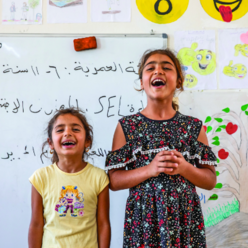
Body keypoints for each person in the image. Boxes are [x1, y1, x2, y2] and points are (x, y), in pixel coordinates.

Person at [105, 49, 217, 248]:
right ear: (141, 82)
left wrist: (185, 168)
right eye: (151, 68)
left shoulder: (193, 127)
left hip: (184, 221)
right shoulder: (127, 127)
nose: (159, 71)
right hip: (143, 223)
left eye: (166, 67)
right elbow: (114, 181)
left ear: (179, 81)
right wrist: (150, 169)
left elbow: (210, 181)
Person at [28, 108, 110, 248]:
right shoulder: (40, 178)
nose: (67, 133)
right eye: (60, 130)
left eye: (76, 129)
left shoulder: (99, 177)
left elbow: (103, 224)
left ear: (87, 141)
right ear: (51, 143)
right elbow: (36, 224)